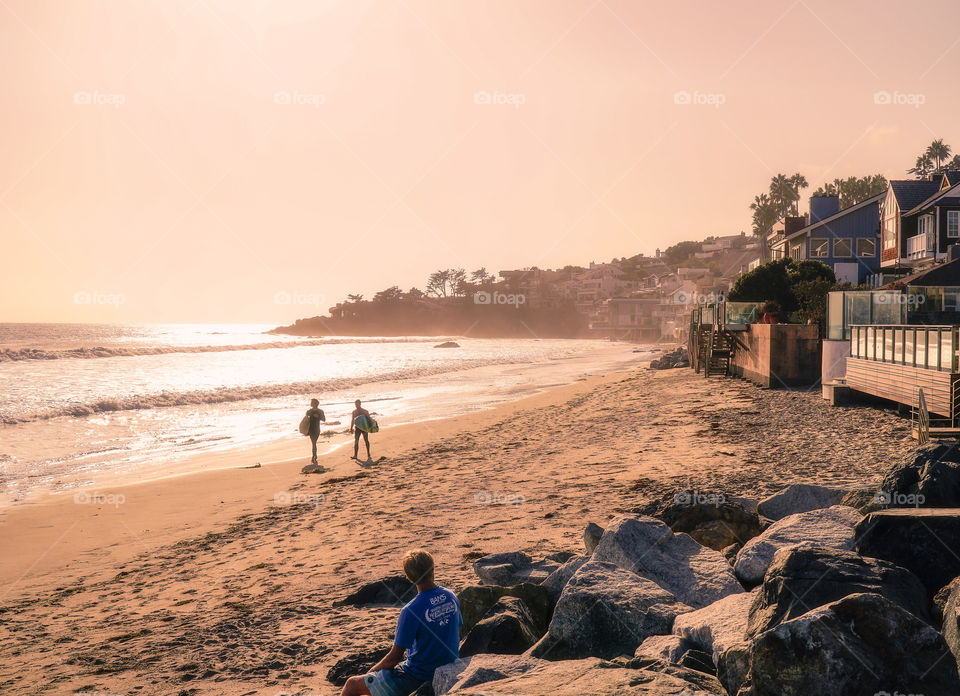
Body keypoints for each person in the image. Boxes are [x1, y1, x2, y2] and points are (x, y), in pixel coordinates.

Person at [340, 550, 461, 696]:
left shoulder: (411, 610)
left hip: (418, 676)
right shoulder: (451, 596)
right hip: (449, 663)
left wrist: (371, 672)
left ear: (409, 577)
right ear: (433, 569)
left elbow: (394, 657)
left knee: (352, 685)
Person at [305, 399, 325, 464]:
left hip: (317, 429)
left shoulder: (320, 411)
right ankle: (314, 455)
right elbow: (305, 418)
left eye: (312, 402)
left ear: (315, 404)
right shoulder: (309, 411)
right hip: (310, 429)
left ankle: (314, 456)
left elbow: (324, 419)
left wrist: (318, 417)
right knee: (313, 443)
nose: (311, 403)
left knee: (314, 442)